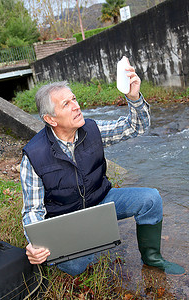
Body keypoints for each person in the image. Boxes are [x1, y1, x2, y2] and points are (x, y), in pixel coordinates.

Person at [20, 57, 185, 276]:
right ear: (50, 119)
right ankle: (87, 246)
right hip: (67, 218)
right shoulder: (33, 155)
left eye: (74, 99)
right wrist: (35, 243)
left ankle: (153, 259)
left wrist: (134, 98)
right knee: (77, 266)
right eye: (66, 104)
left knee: (150, 199)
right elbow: (32, 211)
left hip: (101, 202)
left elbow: (135, 128)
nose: (77, 106)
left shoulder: (91, 129)